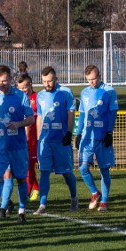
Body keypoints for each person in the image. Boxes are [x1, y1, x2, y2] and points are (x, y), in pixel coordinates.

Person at [0, 65, 35, 225]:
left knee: (21, 179)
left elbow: (30, 118)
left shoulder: (20, 96)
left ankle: (22, 211)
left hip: (17, 146)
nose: (1, 84)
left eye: (4, 80)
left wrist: (18, 124)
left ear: (10, 79)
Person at [33, 67, 78, 215]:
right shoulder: (40, 95)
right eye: (44, 81)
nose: (47, 84)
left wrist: (69, 133)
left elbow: (71, 114)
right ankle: (43, 204)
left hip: (61, 141)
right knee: (44, 172)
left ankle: (74, 199)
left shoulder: (66, 93)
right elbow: (39, 117)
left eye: (49, 81)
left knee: (66, 173)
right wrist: (39, 138)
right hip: (45, 142)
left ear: (56, 78)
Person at [76, 64, 117, 211]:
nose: (92, 82)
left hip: (102, 137)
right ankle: (95, 192)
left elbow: (112, 113)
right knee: (82, 167)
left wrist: (109, 132)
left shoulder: (109, 91)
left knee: (104, 170)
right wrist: (79, 133)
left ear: (99, 76)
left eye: (94, 79)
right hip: (87, 137)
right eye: (89, 80)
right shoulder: (84, 92)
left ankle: (104, 201)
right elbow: (81, 114)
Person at [16, 74, 40, 201]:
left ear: (30, 84)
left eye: (25, 87)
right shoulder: (18, 100)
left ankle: (26, 193)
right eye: (20, 88)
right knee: (26, 166)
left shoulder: (38, 98)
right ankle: (36, 188)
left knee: (30, 166)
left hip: (35, 139)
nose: (23, 90)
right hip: (22, 139)